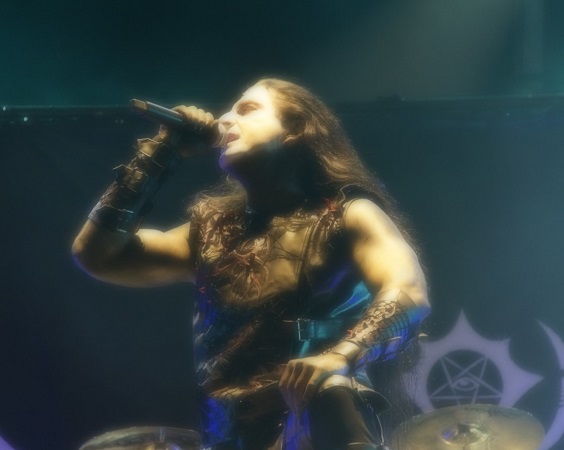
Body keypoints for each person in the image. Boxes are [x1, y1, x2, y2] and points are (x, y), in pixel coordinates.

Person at [72, 78, 430, 450]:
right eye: (229, 111)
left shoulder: (348, 215)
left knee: (329, 389)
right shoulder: (209, 230)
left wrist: (341, 356)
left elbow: (409, 294)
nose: (226, 119)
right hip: (229, 435)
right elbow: (97, 255)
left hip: (314, 426)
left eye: (247, 109)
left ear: (294, 129)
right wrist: (163, 151)